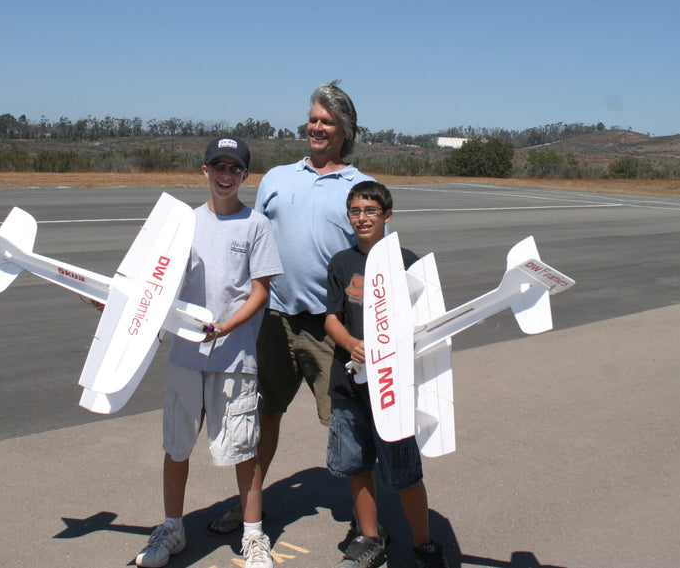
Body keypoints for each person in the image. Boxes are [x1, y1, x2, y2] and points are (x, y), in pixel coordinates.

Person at [208, 80, 377, 536]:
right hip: (273, 321)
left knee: (349, 423)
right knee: (262, 418)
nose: (317, 127)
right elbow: (247, 241)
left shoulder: (359, 187)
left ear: (345, 131)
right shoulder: (278, 179)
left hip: (329, 326)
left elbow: (371, 260)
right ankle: (248, 510)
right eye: (314, 119)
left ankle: (367, 530)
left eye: (328, 121)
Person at [135, 136, 283, 568]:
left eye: (234, 168)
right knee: (177, 446)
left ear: (244, 176)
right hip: (186, 357)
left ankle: (253, 536)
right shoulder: (185, 224)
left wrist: (228, 327)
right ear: (204, 171)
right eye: (217, 166)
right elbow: (159, 284)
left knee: (244, 448)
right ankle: (171, 528)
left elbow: (261, 291)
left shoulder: (256, 225)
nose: (225, 175)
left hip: (235, 358)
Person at [324, 181, 447, 568]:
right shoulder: (341, 263)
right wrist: (350, 343)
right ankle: (370, 536)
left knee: (405, 471)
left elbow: (427, 325)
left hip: (394, 390)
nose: (362, 218)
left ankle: (424, 543)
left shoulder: (408, 262)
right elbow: (330, 318)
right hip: (350, 386)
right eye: (355, 211)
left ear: (387, 216)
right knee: (357, 466)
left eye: (371, 211)